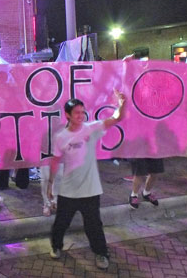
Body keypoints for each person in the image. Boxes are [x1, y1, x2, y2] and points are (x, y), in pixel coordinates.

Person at [48, 92, 126, 270]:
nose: (80, 116)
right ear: (67, 115)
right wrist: (50, 185)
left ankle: (101, 253)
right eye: (76, 113)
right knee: (61, 222)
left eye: (82, 112)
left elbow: (116, 118)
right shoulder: (61, 137)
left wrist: (122, 103)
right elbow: (55, 161)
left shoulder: (91, 128)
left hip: (90, 190)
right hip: (68, 190)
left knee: (94, 226)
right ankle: (56, 246)